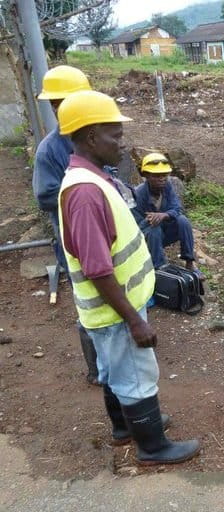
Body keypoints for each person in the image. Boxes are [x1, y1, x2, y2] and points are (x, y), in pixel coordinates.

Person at [57, 90, 200, 464]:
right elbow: (97, 267)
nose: (122, 145)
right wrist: (134, 319)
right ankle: (152, 446)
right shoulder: (86, 193)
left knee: (114, 371)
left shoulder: (90, 179)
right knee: (136, 377)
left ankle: (126, 428)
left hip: (108, 311)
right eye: (115, 136)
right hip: (115, 313)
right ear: (91, 137)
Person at [32, 65, 100, 386]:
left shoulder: (92, 135)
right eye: (59, 103)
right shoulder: (50, 149)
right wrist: (80, 192)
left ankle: (113, 356)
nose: (65, 108)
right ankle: (96, 369)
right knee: (88, 305)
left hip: (102, 235)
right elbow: (45, 196)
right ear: (54, 106)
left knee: (109, 297)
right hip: (73, 240)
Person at [134, 152, 202, 276]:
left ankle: (189, 262)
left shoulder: (167, 186)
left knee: (183, 220)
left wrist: (163, 215)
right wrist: (149, 220)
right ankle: (159, 267)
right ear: (146, 176)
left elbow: (177, 208)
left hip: (165, 233)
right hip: (148, 238)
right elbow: (135, 228)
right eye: (157, 175)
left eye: (164, 175)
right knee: (154, 230)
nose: (162, 178)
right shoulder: (138, 195)